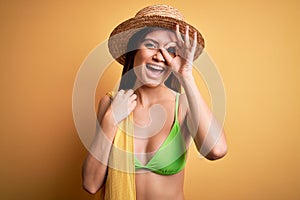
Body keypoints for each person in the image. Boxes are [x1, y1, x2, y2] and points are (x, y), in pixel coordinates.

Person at [82, 4, 227, 200]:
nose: (159, 56)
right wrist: (111, 120)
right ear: (133, 50)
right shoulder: (110, 104)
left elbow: (216, 150)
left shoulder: (183, 105)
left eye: (171, 49)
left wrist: (186, 77)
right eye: (150, 45)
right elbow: (91, 184)